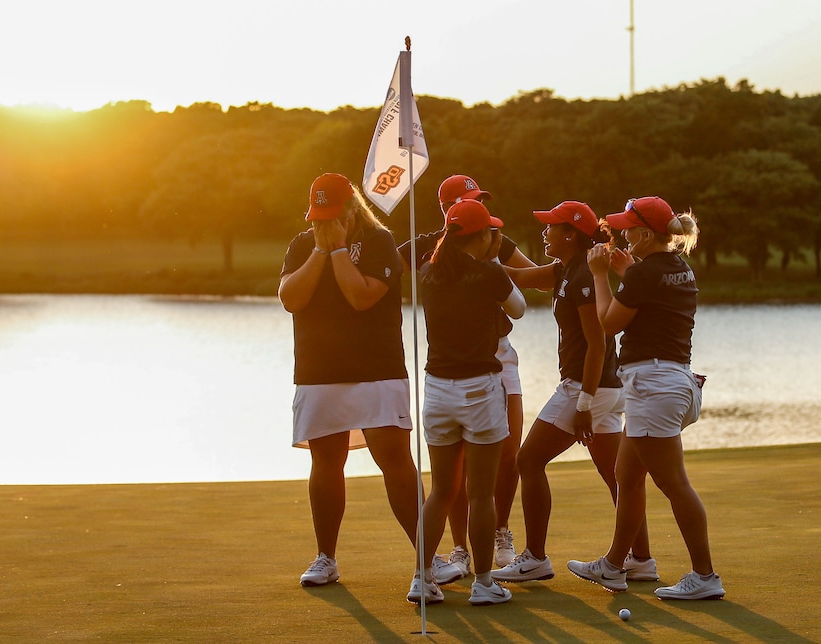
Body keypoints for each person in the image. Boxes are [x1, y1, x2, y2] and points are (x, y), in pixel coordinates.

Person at [566, 196, 725, 600]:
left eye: (628, 228)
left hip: (653, 386)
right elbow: (651, 292)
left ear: (647, 233)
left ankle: (705, 576)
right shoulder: (677, 267)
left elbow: (608, 323)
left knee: (674, 484)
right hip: (669, 383)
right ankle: (615, 565)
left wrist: (600, 274)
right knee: (628, 477)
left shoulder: (644, 274)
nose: (622, 233)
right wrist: (627, 271)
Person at [492, 201, 655, 583]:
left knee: (528, 461)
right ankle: (642, 560)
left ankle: (534, 558)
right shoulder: (567, 267)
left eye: (551, 228)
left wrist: (583, 403)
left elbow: (598, 343)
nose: (544, 232)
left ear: (571, 235)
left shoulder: (582, 275)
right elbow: (524, 276)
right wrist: (473, 262)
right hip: (603, 388)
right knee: (618, 477)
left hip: (587, 387)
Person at [278, 173, 422, 587]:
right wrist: (322, 251)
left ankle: (426, 557)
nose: (321, 223)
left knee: (394, 460)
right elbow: (291, 298)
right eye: (316, 216)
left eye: (330, 214)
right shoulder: (303, 245)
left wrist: (339, 248)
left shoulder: (380, 242)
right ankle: (326, 557)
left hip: (376, 370)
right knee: (325, 461)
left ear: (351, 208)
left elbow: (361, 297)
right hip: (318, 370)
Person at [398, 174, 536, 582]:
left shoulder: (429, 272)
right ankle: (483, 582)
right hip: (479, 386)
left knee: (440, 490)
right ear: (479, 236)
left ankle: (421, 578)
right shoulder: (490, 272)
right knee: (478, 492)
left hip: (436, 388)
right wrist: (493, 262)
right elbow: (520, 308)